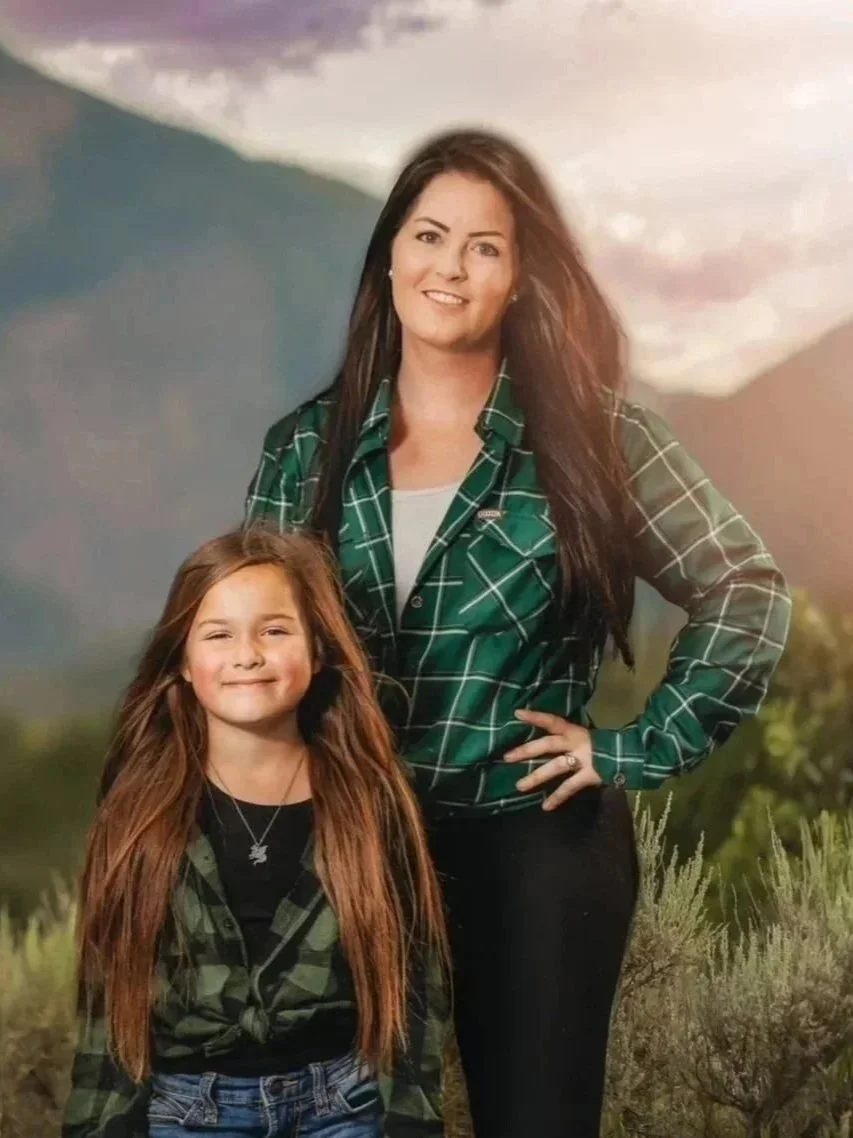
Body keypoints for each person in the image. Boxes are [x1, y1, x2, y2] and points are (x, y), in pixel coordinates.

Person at [244, 128, 792, 1138]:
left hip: (533, 838)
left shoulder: (603, 436)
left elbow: (747, 592)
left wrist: (635, 744)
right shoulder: (303, 451)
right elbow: (254, 647)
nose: (447, 267)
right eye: (428, 234)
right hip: (350, 843)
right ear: (389, 255)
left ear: (522, 274)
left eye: (484, 247)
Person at [62, 526, 450, 1138]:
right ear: (184, 663)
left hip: (344, 1103)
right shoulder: (142, 811)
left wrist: (412, 1122)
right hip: (187, 1111)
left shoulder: (370, 800)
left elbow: (415, 986)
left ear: (318, 649)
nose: (248, 654)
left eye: (274, 630)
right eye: (219, 635)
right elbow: (108, 994)